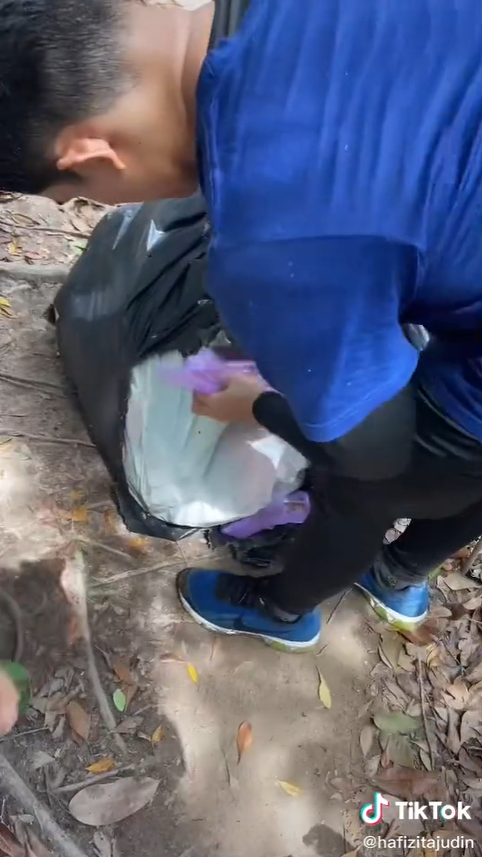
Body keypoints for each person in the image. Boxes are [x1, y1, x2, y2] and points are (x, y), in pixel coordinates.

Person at [1, 0, 482, 652]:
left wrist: (257, 404)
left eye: (80, 195)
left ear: (94, 151)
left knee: (365, 491)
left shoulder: (271, 235)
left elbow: (374, 453)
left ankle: (284, 611)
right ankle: (399, 575)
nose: (101, 206)